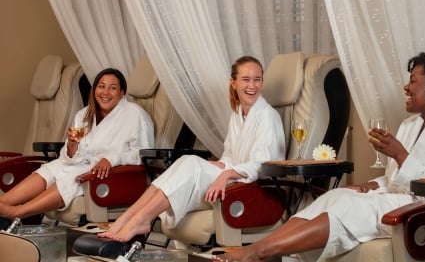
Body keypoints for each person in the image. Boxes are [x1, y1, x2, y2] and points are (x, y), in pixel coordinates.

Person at [217, 51, 425, 262]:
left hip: (423, 211)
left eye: (413, 80)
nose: (406, 86)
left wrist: (400, 155)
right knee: (335, 196)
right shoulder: (410, 125)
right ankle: (269, 252)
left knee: (349, 207)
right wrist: (371, 185)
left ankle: (257, 252)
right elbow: (394, 179)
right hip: (394, 197)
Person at [99, 55, 286, 242]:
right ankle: (127, 218)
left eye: (257, 80)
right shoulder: (237, 115)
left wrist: (226, 175)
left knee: (191, 165)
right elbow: (228, 158)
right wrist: (216, 167)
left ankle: (141, 219)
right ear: (233, 83)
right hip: (234, 180)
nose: (252, 86)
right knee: (187, 161)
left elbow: (263, 165)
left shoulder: (268, 116)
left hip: (250, 188)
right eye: (246, 80)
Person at [0, 68, 154, 220]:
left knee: (73, 178)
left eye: (112, 88)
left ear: (122, 93)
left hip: (111, 174)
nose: (105, 92)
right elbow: (70, 156)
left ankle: (18, 213)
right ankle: (3, 204)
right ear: (94, 90)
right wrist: (71, 148)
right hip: (80, 164)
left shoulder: (135, 115)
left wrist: (112, 159)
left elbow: (143, 154)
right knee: (49, 169)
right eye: (101, 86)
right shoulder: (84, 114)